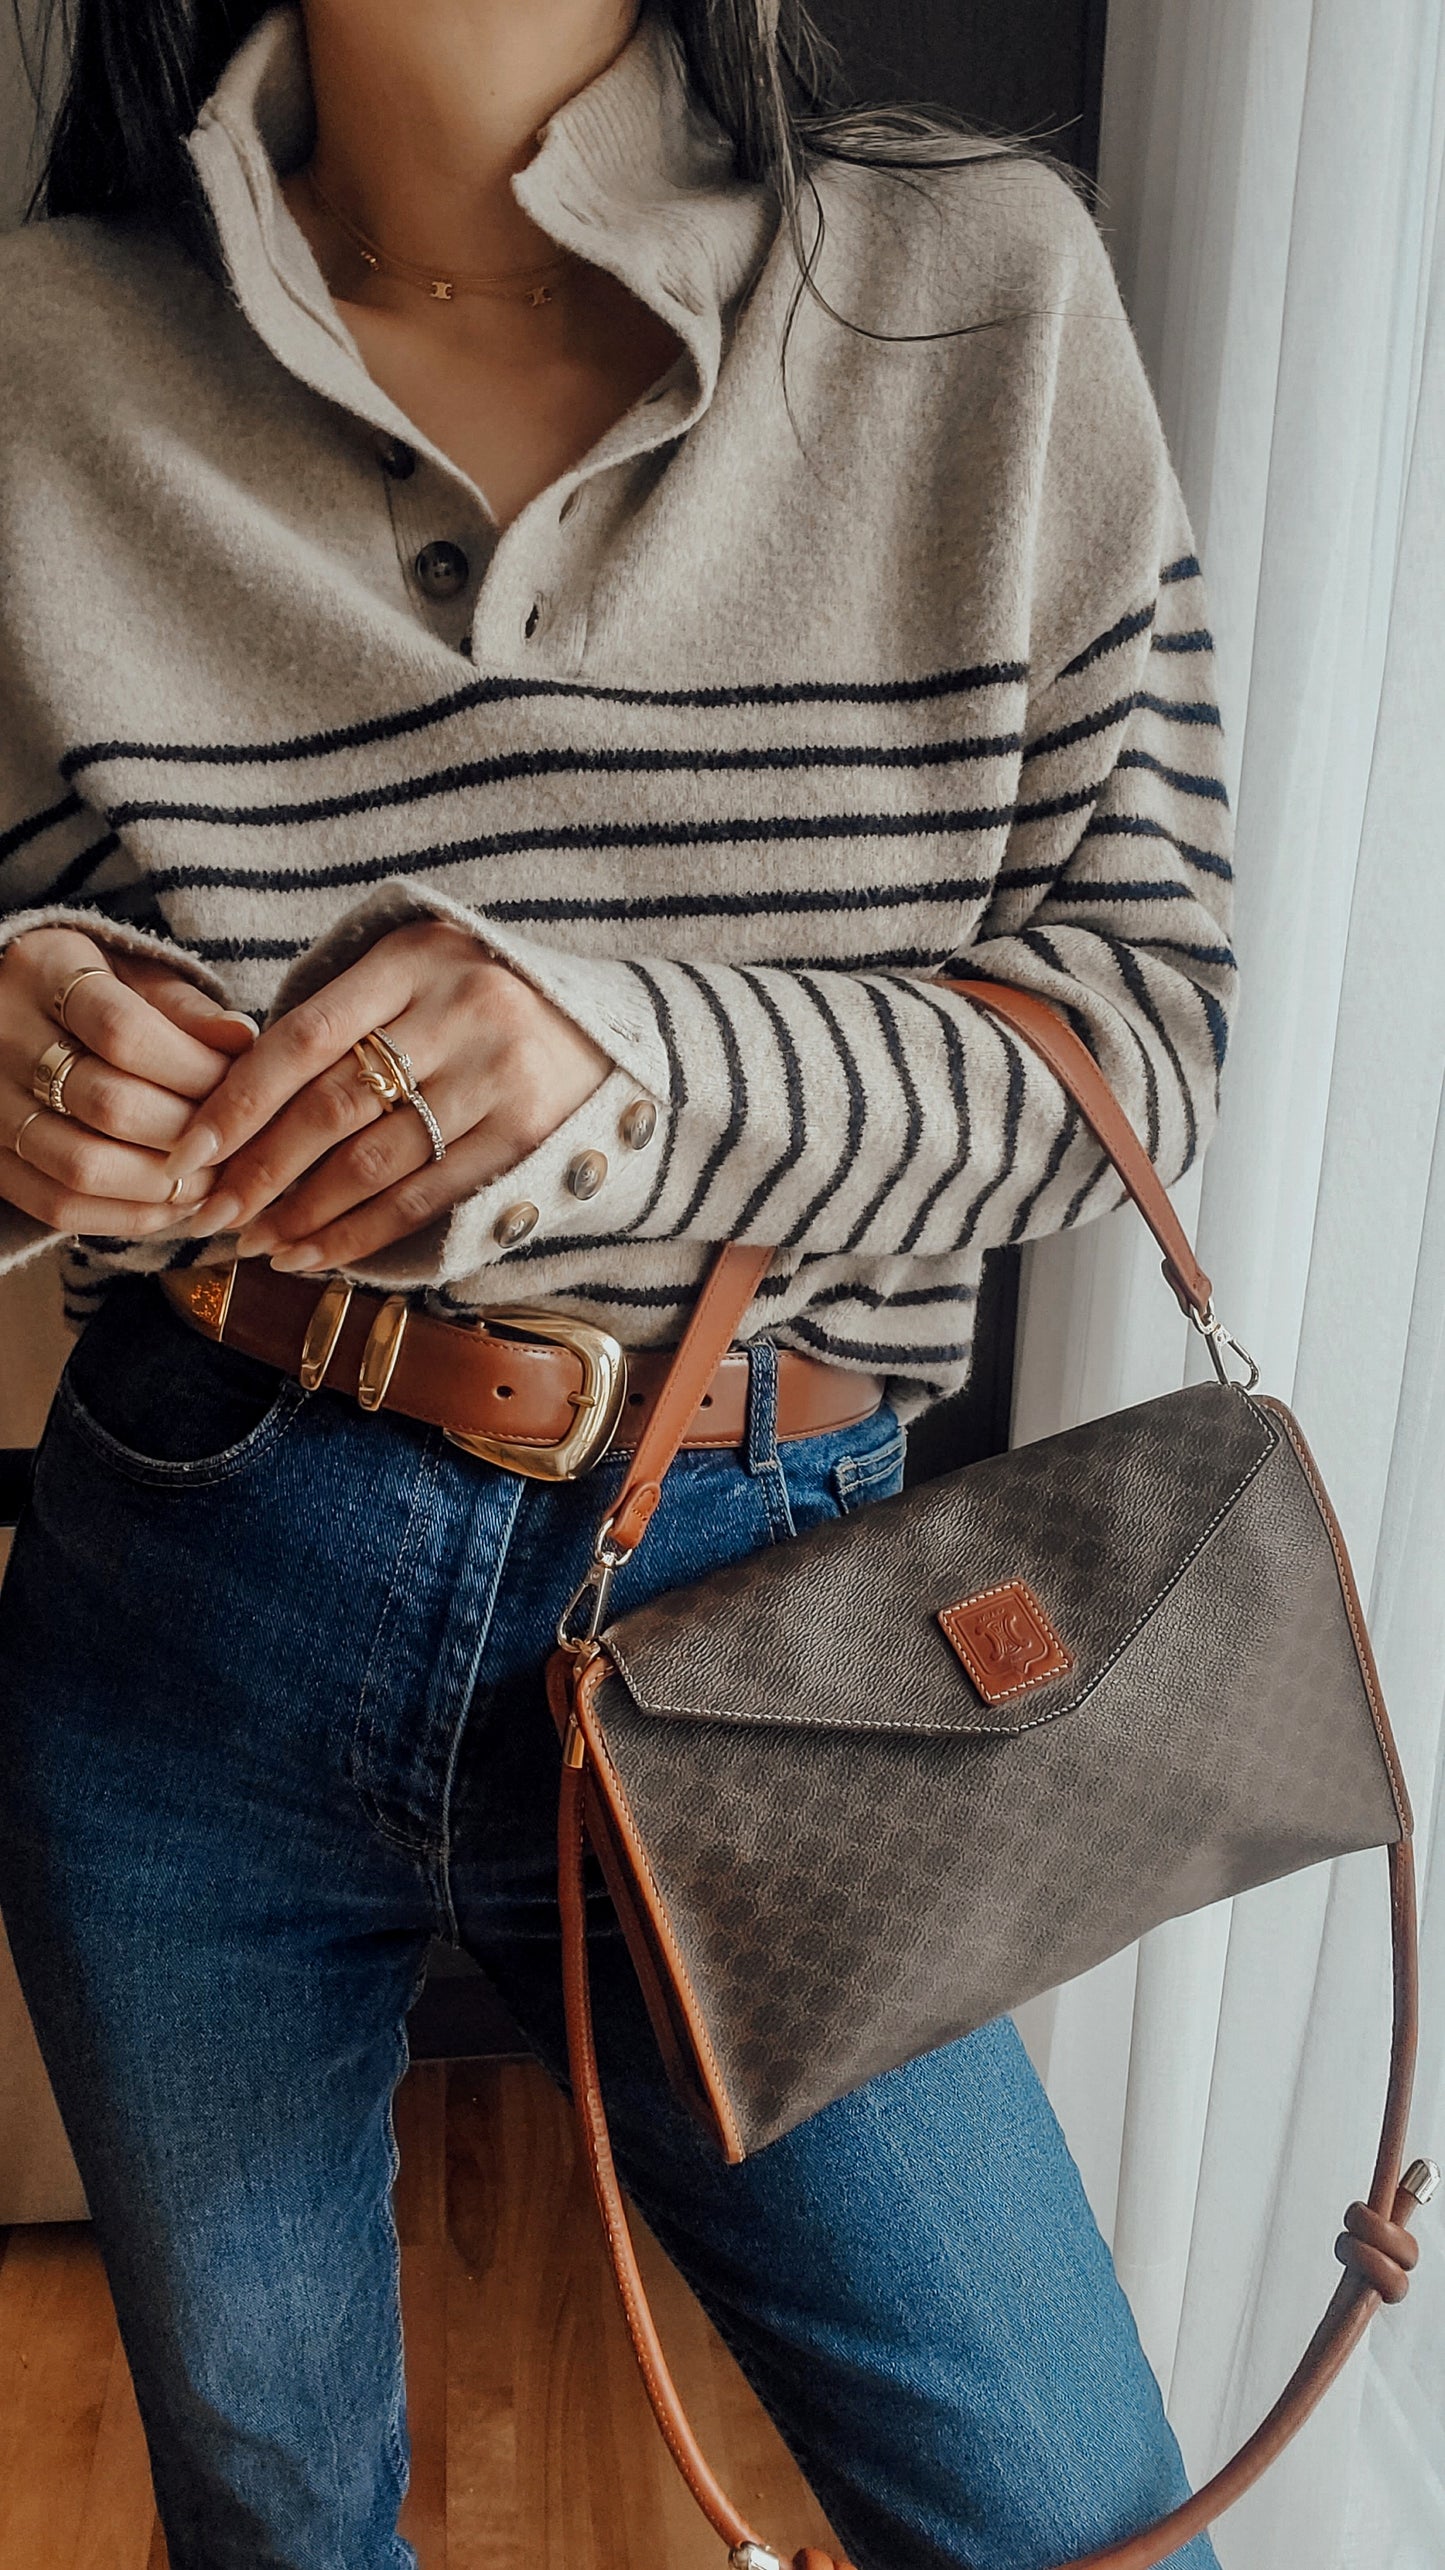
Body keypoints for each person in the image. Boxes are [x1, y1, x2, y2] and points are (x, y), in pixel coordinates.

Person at [0, 3, 1235, 2565]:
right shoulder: (36, 363)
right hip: (184, 1583)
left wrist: (628, 1063)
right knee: (264, 2504)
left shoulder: (971, 300)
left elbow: (1139, 1043)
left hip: (777, 1608)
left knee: (1078, 2519)